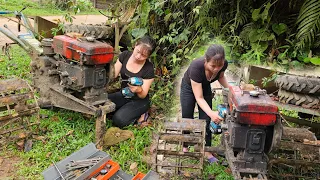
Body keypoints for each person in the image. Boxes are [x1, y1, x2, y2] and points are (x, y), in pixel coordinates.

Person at [180, 44, 229, 163]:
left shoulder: (223, 64)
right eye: (213, 66)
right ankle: (185, 145)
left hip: (205, 86)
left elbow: (221, 77)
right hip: (189, 89)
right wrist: (213, 113)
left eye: (220, 65)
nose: (216, 68)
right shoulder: (196, 67)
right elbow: (199, 98)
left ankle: (206, 150)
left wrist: (231, 90)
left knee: (206, 119)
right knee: (187, 117)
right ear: (205, 61)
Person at [108, 35, 156, 128]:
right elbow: (112, 75)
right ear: (135, 45)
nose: (138, 56)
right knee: (102, 102)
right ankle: (124, 110)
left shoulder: (149, 68)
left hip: (139, 101)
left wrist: (138, 90)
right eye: (137, 51)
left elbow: (143, 95)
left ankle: (142, 115)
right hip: (124, 94)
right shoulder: (125, 55)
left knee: (118, 120)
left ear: (148, 56)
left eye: (143, 55)